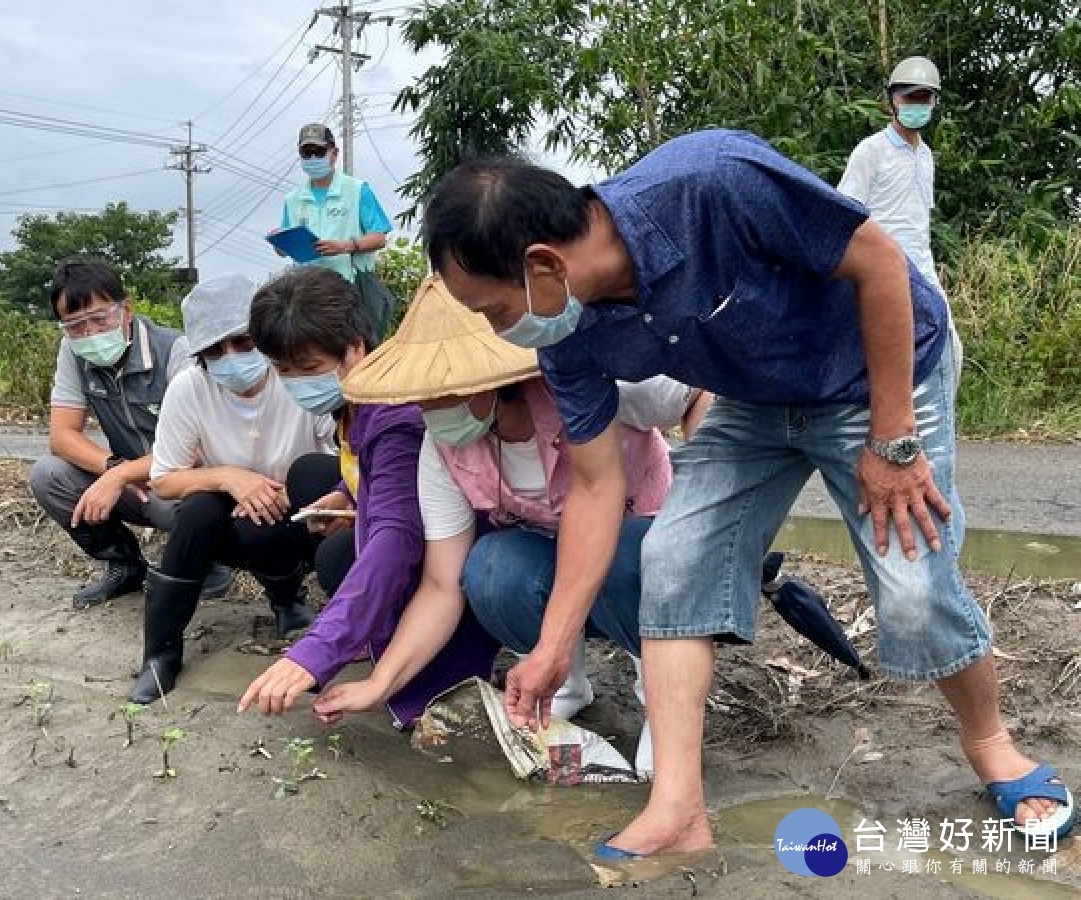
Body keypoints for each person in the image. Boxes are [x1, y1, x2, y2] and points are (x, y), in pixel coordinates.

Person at [421, 133, 1075, 857]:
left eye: (491, 309)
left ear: (543, 265)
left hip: (876, 374)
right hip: (754, 401)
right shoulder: (568, 339)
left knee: (916, 591)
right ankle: (678, 809)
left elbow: (880, 263)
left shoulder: (711, 182)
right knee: (674, 556)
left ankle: (991, 745)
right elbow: (599, 484)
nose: (497, 329)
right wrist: (550, 647)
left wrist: (892, 441)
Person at [313, 276, 707, 775]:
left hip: (640, 544)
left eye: (448, 393)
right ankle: (563, 684)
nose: (434, 410)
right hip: (553, 557)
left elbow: (694, 396)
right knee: (489, 568)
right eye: (425, 397)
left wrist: (704, 499)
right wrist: (380, 683)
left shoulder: (587, 380)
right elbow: (440, 585)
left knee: (630, 552)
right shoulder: (444, 447)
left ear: (492, 381)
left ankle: (661, 696)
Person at [237, 267, 496, 728]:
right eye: (283, 370)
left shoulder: (394, 416)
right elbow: (377, 482)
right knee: (334, 537)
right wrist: (346, 494)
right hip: (428, 533)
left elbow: (396, 542)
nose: (296, 382)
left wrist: (318, 650)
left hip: (459, 549)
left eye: (309, 369)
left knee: (426, 693)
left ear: (355, 347)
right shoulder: (356, 402)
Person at [129, 274, 339, 703]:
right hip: (229, 518)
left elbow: (339, 466)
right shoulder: (190, 388)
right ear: (199, 356)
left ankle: (288, 600)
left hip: (301, 514)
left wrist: (279, 493)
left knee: (306, 476)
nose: (231, 358)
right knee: (199, 508)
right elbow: (165, 478)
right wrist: (230, 478)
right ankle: (161, 650)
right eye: (214, 351)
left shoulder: (298, 378)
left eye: (243, 343)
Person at [29, 257, 231, 609]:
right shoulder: (72, 354)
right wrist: (114, 469)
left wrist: (121, 473)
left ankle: (210, 564)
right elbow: (62, 436)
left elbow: (196, 449)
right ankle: (124, 565)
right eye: (75, 325)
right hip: (134, 483)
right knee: (49, 475)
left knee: (183, 502)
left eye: (99, 318)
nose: (89, 333)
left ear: (126, 309)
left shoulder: (175, 350)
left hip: (184, 480)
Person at [839, 55, 963, 383]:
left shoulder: (925, 156)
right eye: (909, 97)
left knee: (949, 353)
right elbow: (845, 214)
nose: (916, 105)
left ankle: (933, 434)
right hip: (882, 272)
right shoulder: (871, 151)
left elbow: (919, 222)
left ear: (935, 102)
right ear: (892, 100)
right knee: (884, 364)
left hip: (923, 270)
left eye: (924, 98)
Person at [274, 123, 392, 286]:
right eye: (306, 153)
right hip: (306, 290)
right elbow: (284, 250)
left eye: (319, 151)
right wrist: (279, 244)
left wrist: (346, 246)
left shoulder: (358, 190)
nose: (313, 158)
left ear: (334, 153)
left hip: (348, 287)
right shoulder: (292, 199)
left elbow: (379, 238)